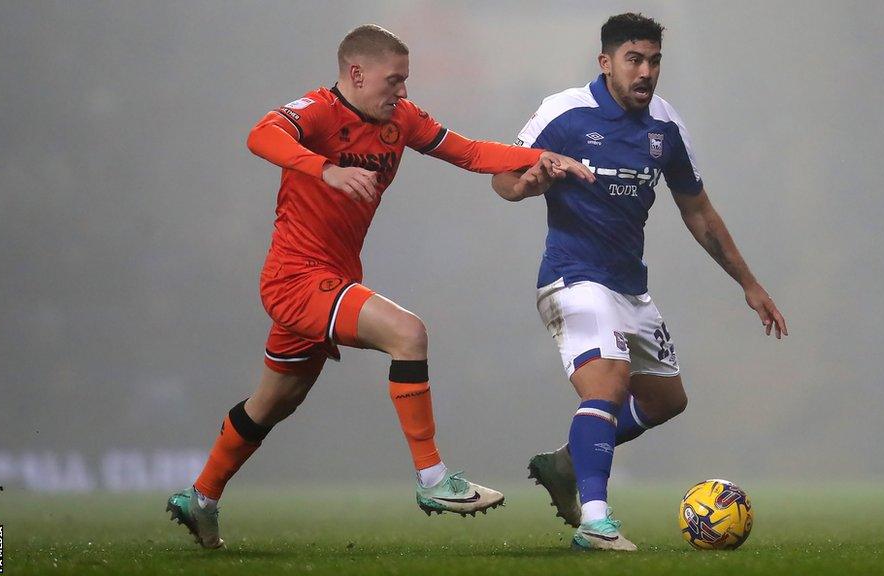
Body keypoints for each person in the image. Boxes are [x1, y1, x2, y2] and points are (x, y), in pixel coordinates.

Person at [166, 24, 594, 549]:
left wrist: (542, 158)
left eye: (406, 80)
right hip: (296, 278)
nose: (404, 92)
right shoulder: (318, 111)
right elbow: (260, 135)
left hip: (334, 278)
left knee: (275, 402)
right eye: (395, 80)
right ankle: (434, 480)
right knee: (409, 335)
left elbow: (469, 152)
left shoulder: (402, 120)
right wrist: (325, 170)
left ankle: (200, 497)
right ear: (356, 73)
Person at [491, 13, 787, 551]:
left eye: (654, 61)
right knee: (607, 383)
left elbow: (698, 213)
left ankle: (564, 463)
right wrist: (530, 180)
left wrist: (749, 283)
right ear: (606, 63)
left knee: (666, 400)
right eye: (634, 59)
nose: (645, 71)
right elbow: (503, 178)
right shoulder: (564, 113)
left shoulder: (666, 127)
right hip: (572, 277)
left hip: (629, 287)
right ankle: (596, 522)